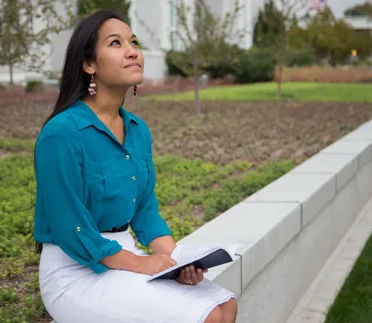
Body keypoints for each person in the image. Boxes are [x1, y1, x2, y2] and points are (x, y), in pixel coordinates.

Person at [33, 10, 238, 323]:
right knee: (208, 315)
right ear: (89, 64)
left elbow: (145, 212)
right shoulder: (61, 133)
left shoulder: (138, 130)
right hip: (75, 271)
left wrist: (177, 261)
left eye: (134, 42)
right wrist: (140, 264)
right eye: (116, 43)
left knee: (226, 306)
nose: (132, 51)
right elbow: (70, 227)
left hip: (125, 259)